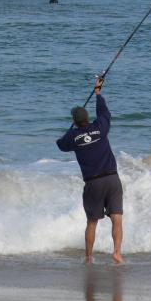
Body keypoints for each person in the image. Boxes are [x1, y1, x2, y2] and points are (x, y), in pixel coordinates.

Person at [56, 77, 123, 265]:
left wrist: (69, 132)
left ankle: (88, 258)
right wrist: (98, 94)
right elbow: (104, 113)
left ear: (75, 122)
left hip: (93, 183)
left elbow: (61, 145)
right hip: (112, 179)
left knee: (92, 222)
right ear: (87, 118)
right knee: (117, 217)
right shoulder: (100, 127)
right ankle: (117, 253)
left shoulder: (73, 136)